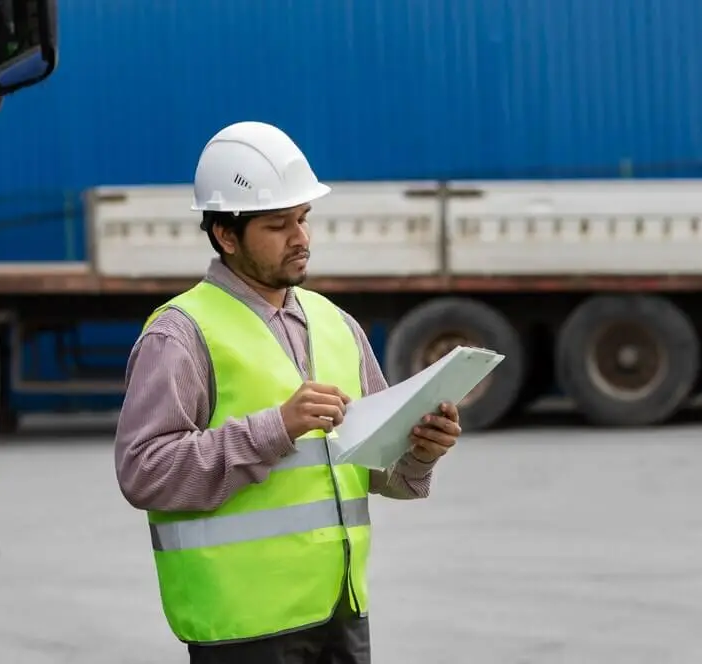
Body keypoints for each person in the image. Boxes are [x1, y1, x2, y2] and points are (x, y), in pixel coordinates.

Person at [113, 120, 462, 664]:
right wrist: (275, 427)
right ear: (226, 235)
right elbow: (144, 472)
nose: (300, 238)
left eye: (303, 219)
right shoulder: (180, 334)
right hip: (243, 627)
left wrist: (419, 452)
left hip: (339, 615)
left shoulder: (335, 324)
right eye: (278, 225)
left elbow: (375, 469)